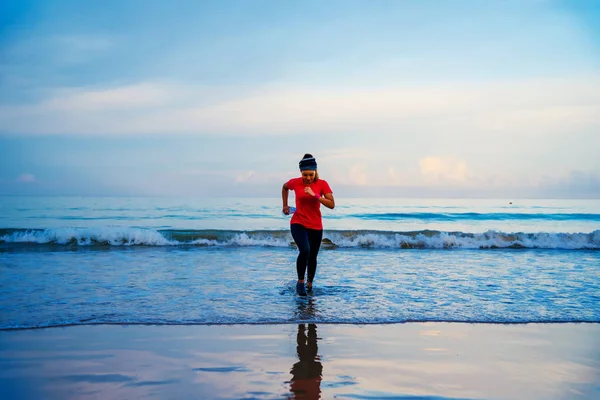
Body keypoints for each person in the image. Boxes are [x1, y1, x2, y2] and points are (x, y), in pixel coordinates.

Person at [282, 154, 335, 296]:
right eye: (305, 175)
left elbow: (332, 204)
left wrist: (315, 196)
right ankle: (300, 283)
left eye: (311, 174)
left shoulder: (322, 184)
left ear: (315, 171)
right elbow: (285, 187)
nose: (308, 178)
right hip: (298, 222)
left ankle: (309, 285)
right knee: (304, 250)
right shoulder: (295, 182)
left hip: (316, 226)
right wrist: (285, 205)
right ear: (301, 173)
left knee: (313, 256)